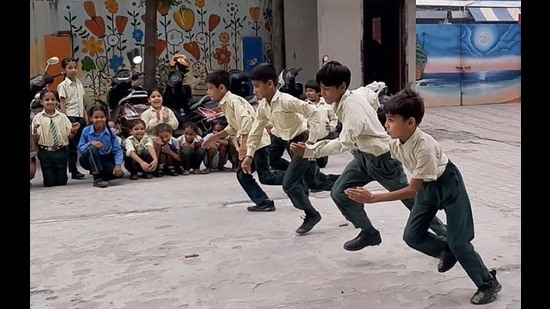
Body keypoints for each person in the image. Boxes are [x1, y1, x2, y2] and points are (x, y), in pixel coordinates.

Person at [344, 85, 501, 305]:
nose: (386, 125)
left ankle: (487, 283)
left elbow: (412, 190)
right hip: (428, 187)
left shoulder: (424, 146)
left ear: (410, 122)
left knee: (459, 242)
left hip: (448, 185)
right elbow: (373, 144)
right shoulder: (395, 141)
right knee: (412, 236)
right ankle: (445, 251)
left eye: (390, 120)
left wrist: (373, 198)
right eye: (386, 119)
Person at [290, 61, 447, 250]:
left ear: (342, 87)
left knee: (411, 200)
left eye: (327, 89)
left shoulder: (352, 109)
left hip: (383, 160)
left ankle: (447, 237)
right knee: (340, 192)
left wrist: (310, 151)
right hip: (363, 157)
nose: (323, 94)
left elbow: (343, 143)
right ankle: (369, 233)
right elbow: (370, 93)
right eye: (321, 89)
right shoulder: (352, 95)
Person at [243, 63, 338, 232]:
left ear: (270, 84)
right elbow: (256, 131)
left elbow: (314, 113)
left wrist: (311, 141)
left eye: (257, 86)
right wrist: (249, 155)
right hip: (288, 141)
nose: (255, 91)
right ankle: (346, 183)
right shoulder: (264, 107)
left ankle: (311, 214)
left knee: (289, 184)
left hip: (301, 140)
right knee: (315, 181)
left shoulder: (287, 101)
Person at [202, 69, 285, 212]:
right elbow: (233, 127)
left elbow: (246, 121)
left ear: (221, 88)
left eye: (210, 88)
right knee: (247, 174)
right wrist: (215, 137)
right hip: (255, 142)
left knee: (265, 176)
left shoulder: (233, 101)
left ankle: (295, 179)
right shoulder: (226, 103)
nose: (208, 92)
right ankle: (265, 201)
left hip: (257, 143)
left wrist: (244, 145)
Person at [31, 89, 80, 187]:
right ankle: (49, 178)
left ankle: (61, 176)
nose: (50, 102)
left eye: (53, 99)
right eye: (47, 100)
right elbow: (36, 139)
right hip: (45, 152)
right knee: (49, 183)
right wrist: (35, 131)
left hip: (60, 151)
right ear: (41, 102)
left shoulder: (62, 117)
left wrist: (73, 131)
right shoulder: (37, 118)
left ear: (56, 101)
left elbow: (69, 136)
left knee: (62, 182)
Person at [77, 104, 124, 188]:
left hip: (104, 158)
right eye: (96, 117)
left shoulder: (110, 132)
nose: (99, 119)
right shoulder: (86, 131)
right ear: (91, 118)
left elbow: (117, 150)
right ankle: (97, 178)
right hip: (87, 159)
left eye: (102, 117)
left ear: (106, 118)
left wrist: (118, 165)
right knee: (92, 149)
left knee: (116, 174)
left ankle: (101, 173)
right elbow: (80, 148)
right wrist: (91, 143)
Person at [57, 57, 87, 180]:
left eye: (75, 67)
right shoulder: (62, 86)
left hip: (80, 116)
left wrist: (85, 116)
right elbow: (63, 104)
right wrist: (66, 120)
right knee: (72, 147)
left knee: (85, 142)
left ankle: (91, 166)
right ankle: (74, 171)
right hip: (71, 116)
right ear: (64, 70)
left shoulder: (79, 83)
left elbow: (82, 101)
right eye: (70, 68)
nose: (73, 70)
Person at [304, 79, 339, 168]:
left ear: (318, 92)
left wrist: (331, 127)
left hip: (322, 137)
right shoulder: (303, 105)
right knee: (310, 164)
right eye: (307, 91)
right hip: (309, 138)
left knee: (322, 164)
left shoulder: (327, 104)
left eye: (311, 91)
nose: (308, 93)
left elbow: (334, 118)